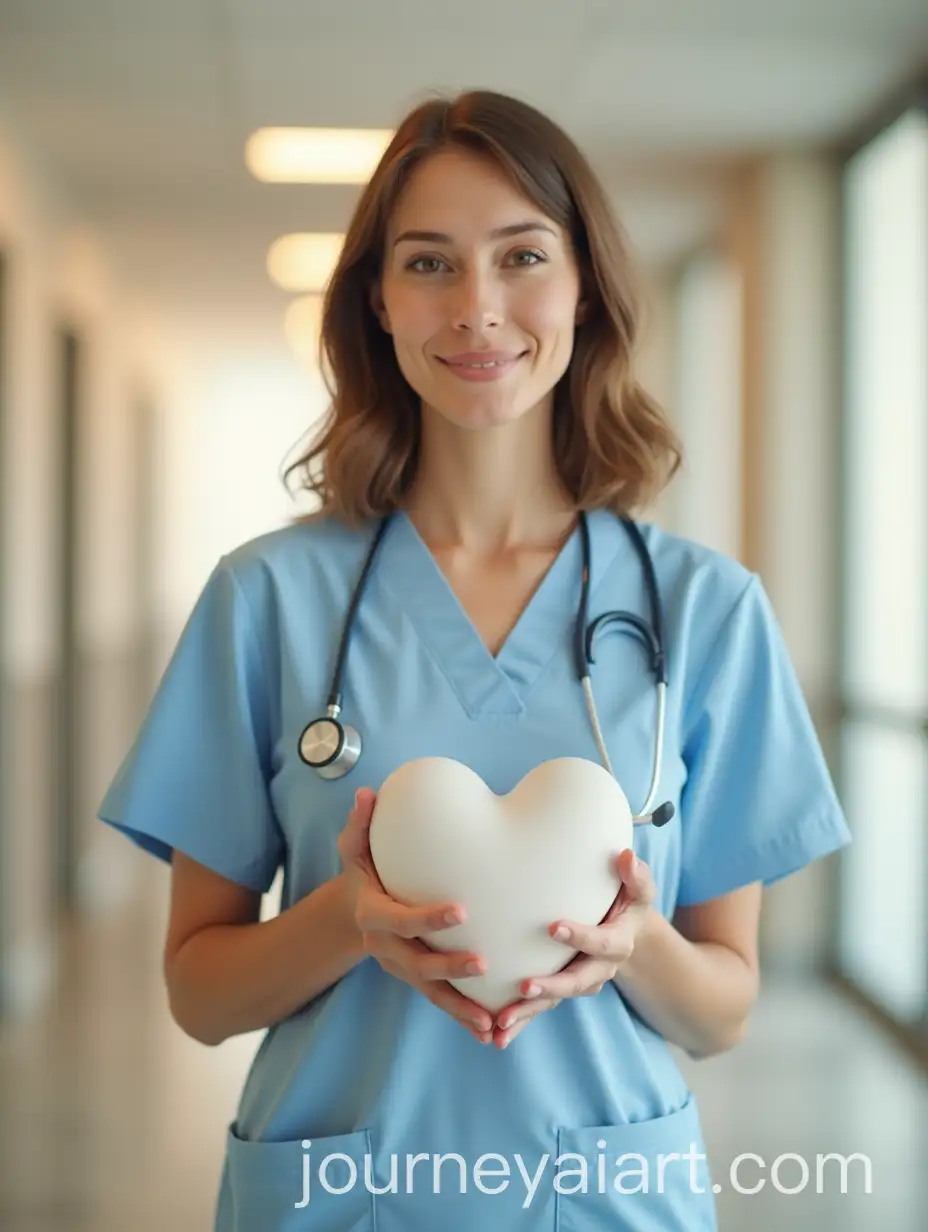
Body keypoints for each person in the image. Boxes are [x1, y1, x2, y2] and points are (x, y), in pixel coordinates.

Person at [98, 89, 852, 1231]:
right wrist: (352, 915)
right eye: (429, 263)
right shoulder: (267, 598)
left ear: (584, 284)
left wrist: (631, 943)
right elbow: (199, 994)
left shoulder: (704, 609)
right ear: (380, 300)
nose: (479, 308)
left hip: (606, 1196)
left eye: (521, 256)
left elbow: (722, 1009)